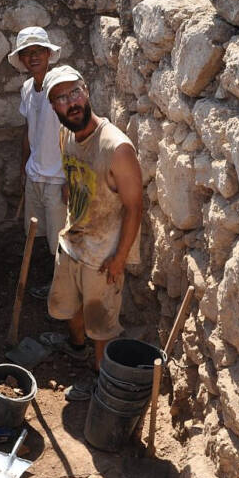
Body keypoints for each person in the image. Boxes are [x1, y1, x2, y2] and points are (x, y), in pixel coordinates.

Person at [42, 65, 143, 402]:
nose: (70, 103)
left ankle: (101, 379)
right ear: (53, 108)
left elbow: (134, 207)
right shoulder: (66, 134)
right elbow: (73, 178)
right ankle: (76, 347)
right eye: (60, 98)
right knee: (67, 308)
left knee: (102, 324)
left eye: (74, 93)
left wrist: (119, 259)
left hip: (103, 254)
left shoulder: (117, 148)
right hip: (73, 242)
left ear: (86, 92)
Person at [7, 27, 67, 299]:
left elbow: (76, 132)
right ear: (21, 59)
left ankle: (65, 295)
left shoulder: (62, 86)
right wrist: (23, 170)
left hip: (58, 179)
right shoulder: (28, 89)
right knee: (41, 235)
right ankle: (54, 287)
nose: (33, 58)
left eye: (37, 52)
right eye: (27, 53)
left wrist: (71, 178)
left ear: (47, 54)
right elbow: (28, 131)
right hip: (35, 176)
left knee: (61, 242)